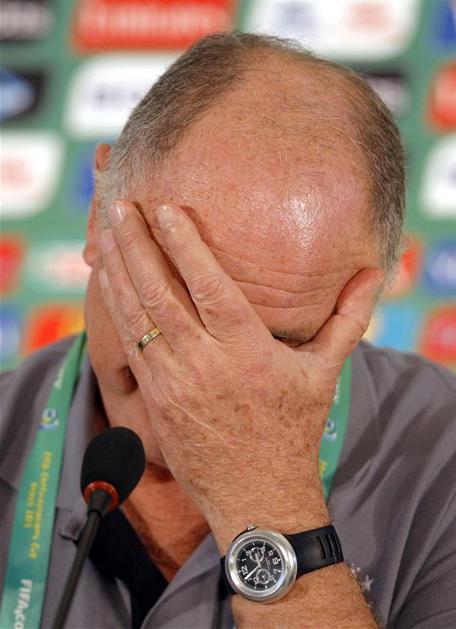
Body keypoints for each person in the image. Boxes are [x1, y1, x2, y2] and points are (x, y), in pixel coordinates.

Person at [1, 32, 455, 629]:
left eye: (276, 341)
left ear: (365, 299)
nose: (202, 376)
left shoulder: (443, 456)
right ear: (96, 217)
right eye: (171, 301)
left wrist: (265, 494)